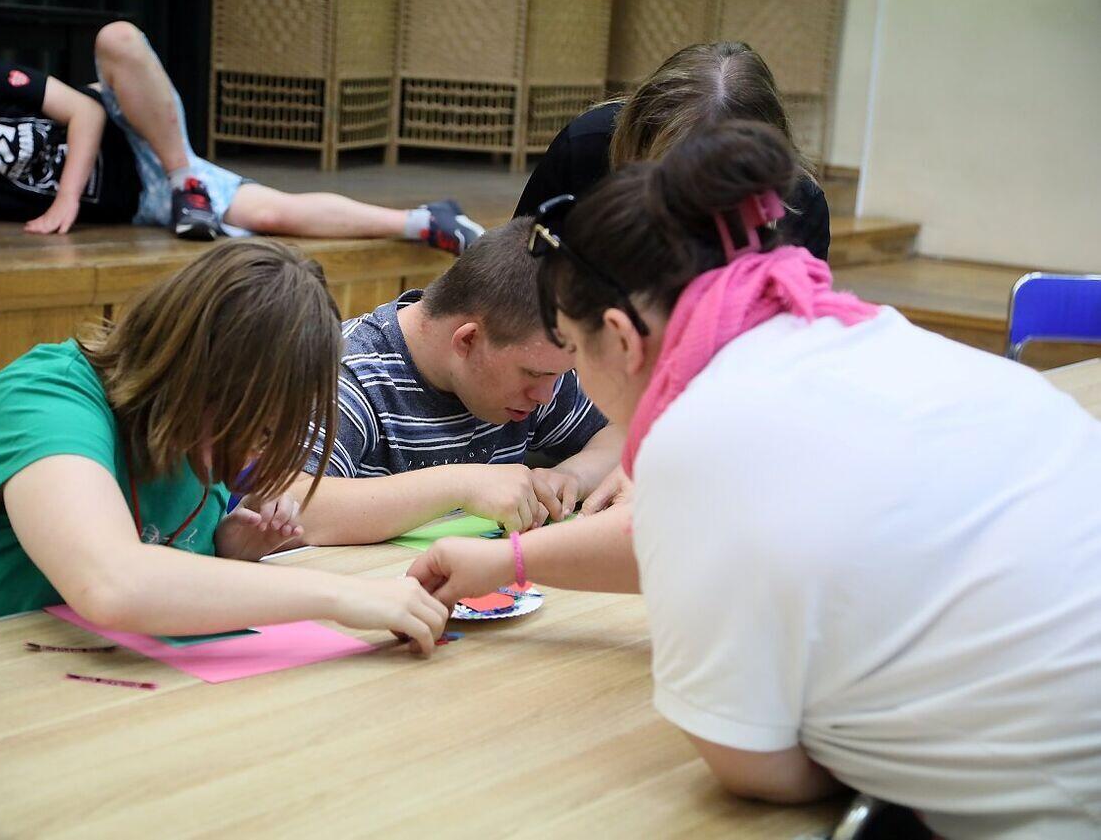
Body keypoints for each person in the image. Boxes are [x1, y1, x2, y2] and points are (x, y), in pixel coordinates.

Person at [411, 121, 1101, 837]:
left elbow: (753, 766)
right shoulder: (854, 333)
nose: (574, 381)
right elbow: (690, 534)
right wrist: (507, 560)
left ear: (619, 336)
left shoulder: (700, 432)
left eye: (574, 352)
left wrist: (855, 741)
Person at [0, 239, 447, 653]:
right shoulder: (45, 399)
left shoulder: (188, 434)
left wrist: (228, 548)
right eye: (253, 428)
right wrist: (343, 595)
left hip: (43, 690)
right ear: (196, 374)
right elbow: (113, 582)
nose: (251, 457)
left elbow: (162, 571)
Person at [0, 21, 483, 251]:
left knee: (117, 37)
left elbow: (86, 112)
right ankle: (426, 222)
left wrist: (65, 199)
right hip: (143, 201)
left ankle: (187, 180)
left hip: (137, 133)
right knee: (273, 214)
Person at [293, 217, 622, 546]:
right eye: (534, 374)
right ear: (467, 340)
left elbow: (624, 432)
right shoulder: (347, 373)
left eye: (558, 375)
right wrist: (460, 486)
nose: (546, 396)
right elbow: (292, 508)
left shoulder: (536, 361)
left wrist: (573, 476)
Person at [514, 41, 829, 262]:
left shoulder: (797, 203)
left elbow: (794, 327)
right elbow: (515, 270)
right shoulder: (588, 145)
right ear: (639, 132)